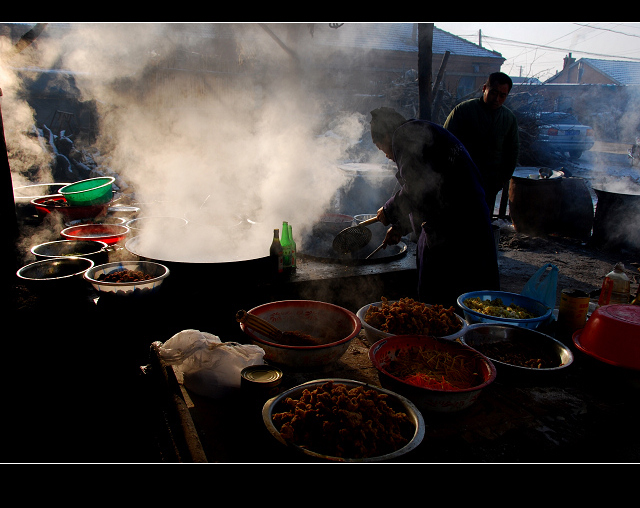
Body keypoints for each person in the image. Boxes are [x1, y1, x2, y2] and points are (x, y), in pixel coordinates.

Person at [370, 107, 500, 308]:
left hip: (455, 229)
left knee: (442, 304)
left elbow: (417, 187)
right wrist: (401, 226)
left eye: (382, 149)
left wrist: (389, 210)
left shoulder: (403, 136)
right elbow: (428, 189)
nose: (387, 155)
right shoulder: (421, 131)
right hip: (468, 220)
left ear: (387, 135)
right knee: (473, 301)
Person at [443, 72, 519, 215]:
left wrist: (502, 179)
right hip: (460, 182)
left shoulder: (508, 119)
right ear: (484, 88)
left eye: (502, 95)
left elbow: (512, 152)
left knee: (482, 223)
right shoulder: (463, 111)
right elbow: (445, 143)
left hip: (489, 185)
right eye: (493, 92)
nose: (497, 99)